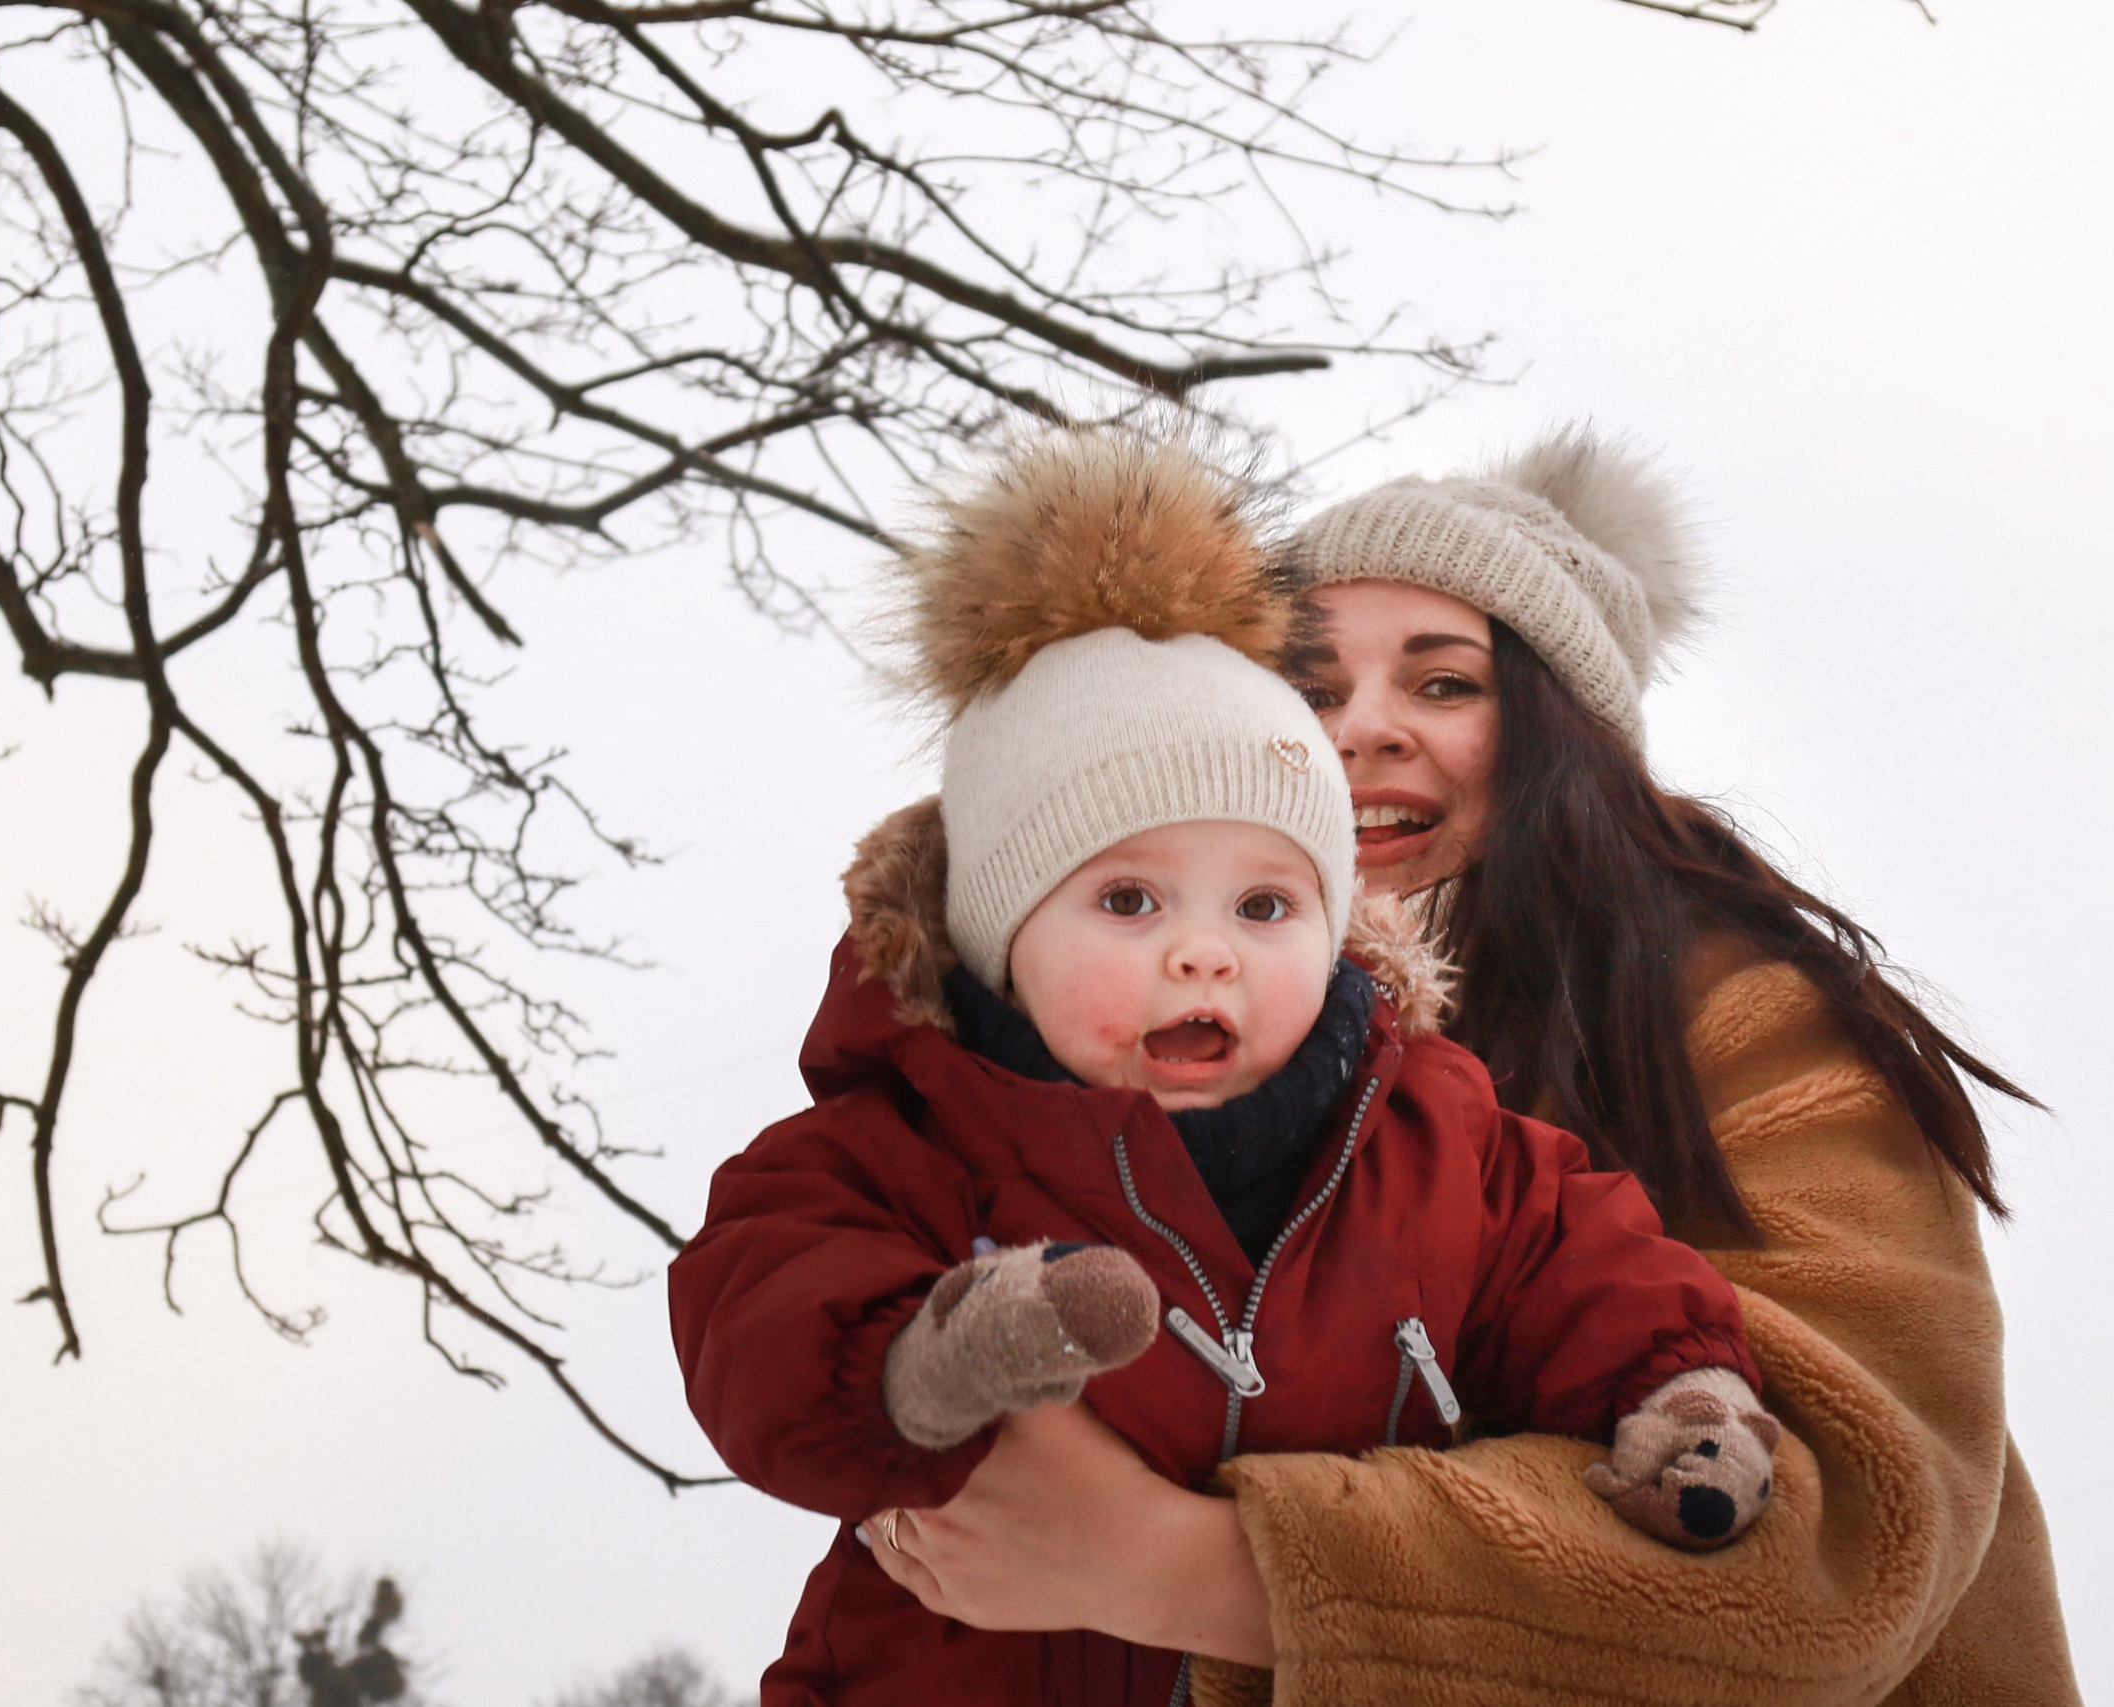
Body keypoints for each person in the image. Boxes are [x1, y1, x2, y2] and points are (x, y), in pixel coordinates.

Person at [854, 428, 2084, 1706]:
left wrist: (1188, 1566)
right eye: (1312, 689)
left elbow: (1830, 1549)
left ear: (1564, 735)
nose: (1362, 729)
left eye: (1443, 685)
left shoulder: (1742, 1026)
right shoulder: (1178, 1057)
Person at [670, 431, 1782, 1707]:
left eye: (1264, 909)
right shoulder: (923, 1132)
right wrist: (929, 1363)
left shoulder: (1433, 1121)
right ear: (998, 927)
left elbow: (1582, 1263)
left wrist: (1678, 1387)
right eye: (1130, 898)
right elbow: (767, 1295)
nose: (1203, 953)